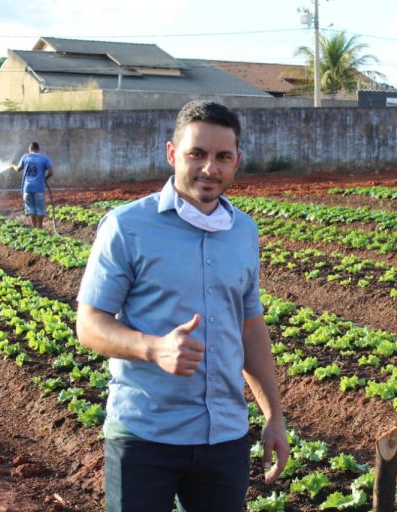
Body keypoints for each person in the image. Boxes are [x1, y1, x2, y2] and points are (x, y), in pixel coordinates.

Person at [75, 100, 289, 512]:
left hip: (224, 438)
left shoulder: (243, 231)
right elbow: (89, 324)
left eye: (222, 157)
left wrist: (273, 416)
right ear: (172, 153)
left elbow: (250, 328)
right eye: (197, 154)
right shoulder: (126, 226)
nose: (210, 168)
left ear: (237, 161)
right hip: (145, 435)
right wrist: (153, 348)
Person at [9, 142, 53, 228]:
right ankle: (40, 228)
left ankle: (34, 227)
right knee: (40, 209)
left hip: (27, 188)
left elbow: (18, 169)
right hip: (39, 187)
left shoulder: (26, 156)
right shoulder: (44, 158)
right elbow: (51, 172)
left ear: (30, 149)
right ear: (38, 149)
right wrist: (45, 178)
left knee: (31, 209)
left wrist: (11, 165)